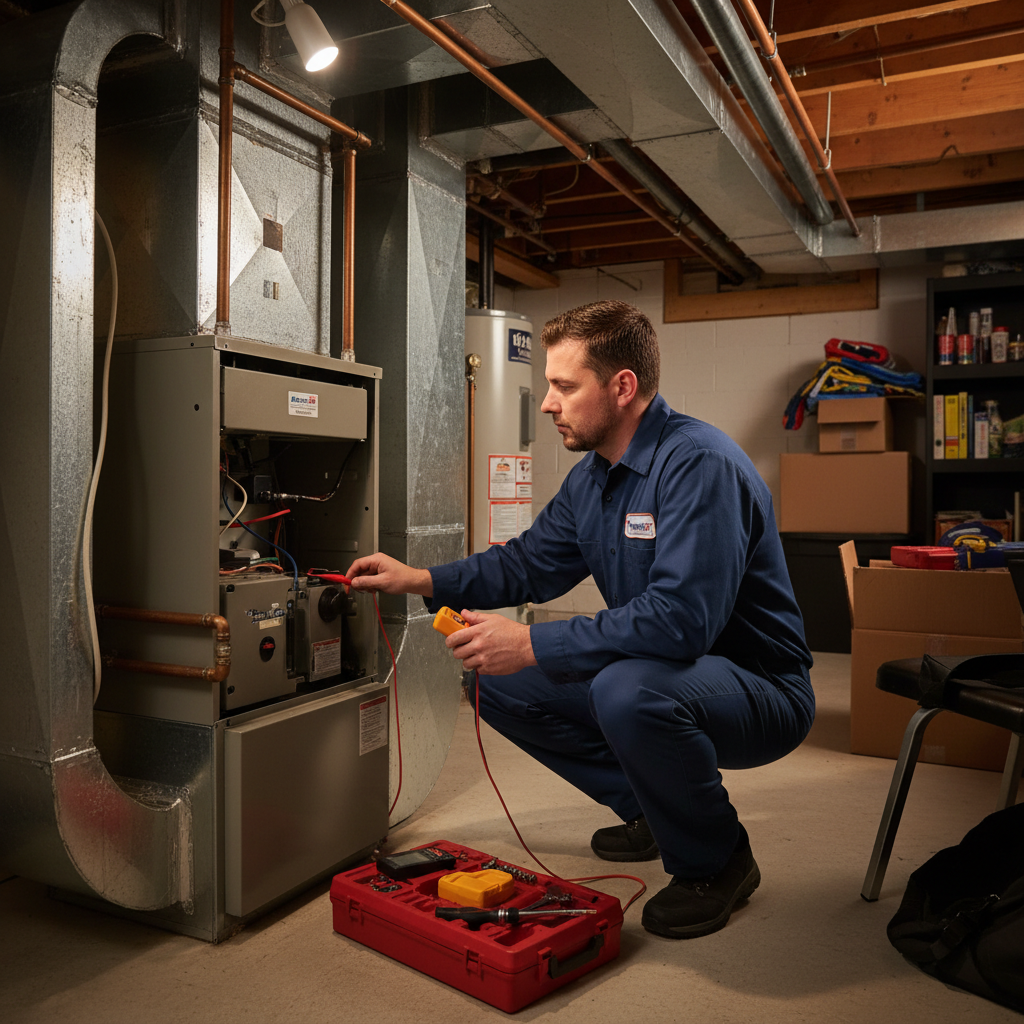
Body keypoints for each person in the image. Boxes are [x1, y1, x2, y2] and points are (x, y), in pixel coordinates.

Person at [345, 300, 814, 940]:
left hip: (759, 687)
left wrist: (534, 641)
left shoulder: (699, 466)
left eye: (564, 386)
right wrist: (424, 579)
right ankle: (653, 807)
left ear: (622, 387)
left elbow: (681, 624)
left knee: (627, 691)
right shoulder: (593, 480)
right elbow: (529, 564)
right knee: (493, 676)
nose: (546, 403)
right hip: (668, 670)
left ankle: (718, 860)